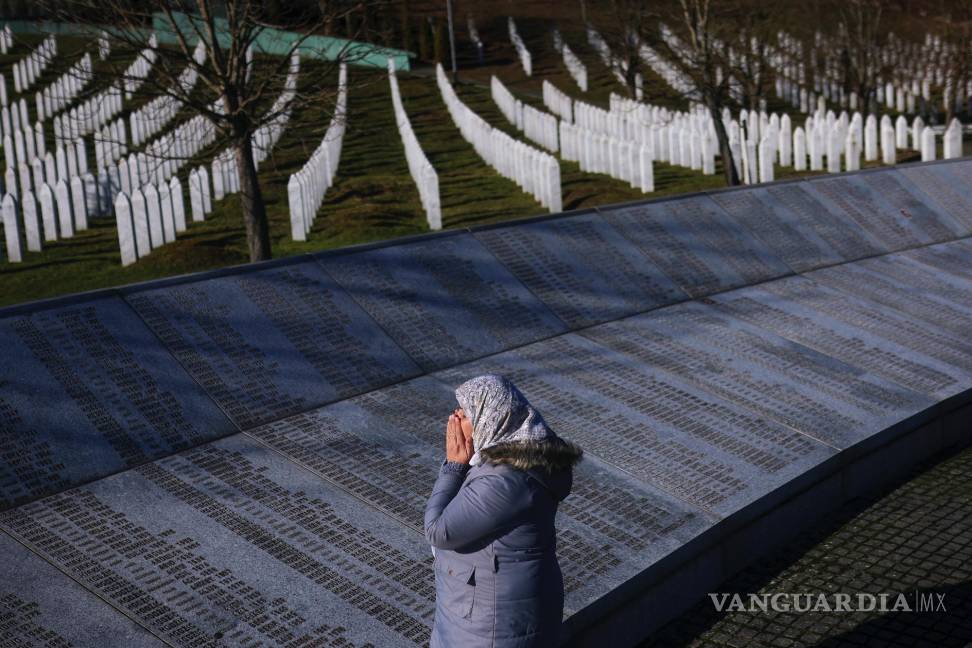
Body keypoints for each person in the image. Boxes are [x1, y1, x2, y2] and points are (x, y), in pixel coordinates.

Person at [425, 374, 584, 648]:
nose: (455, 417)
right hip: (487, 609)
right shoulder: (513, 463)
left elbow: (438, 531)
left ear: (490, 418)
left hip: (490, 624)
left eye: (465, 412)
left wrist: (453, 465)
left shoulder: (505, 480)